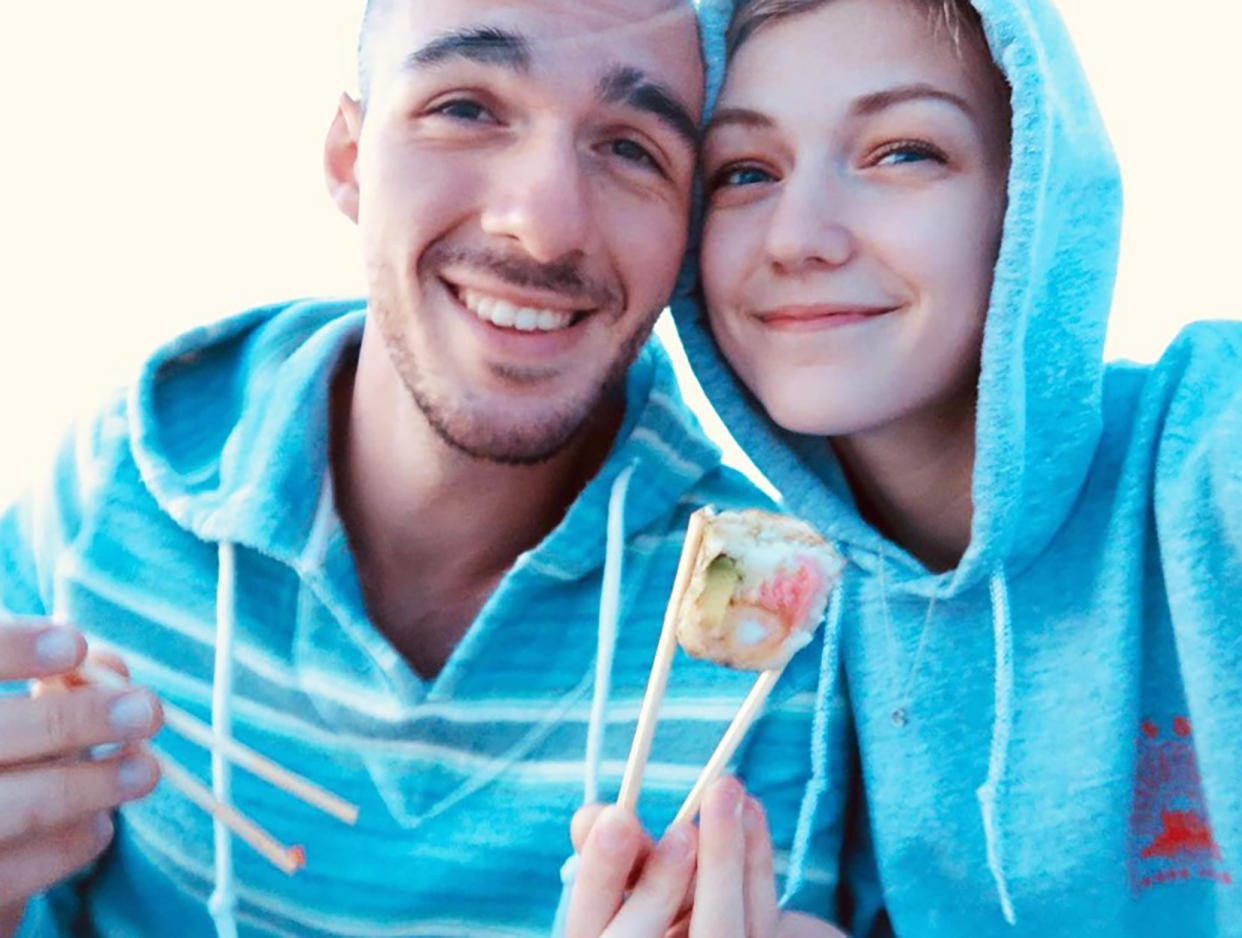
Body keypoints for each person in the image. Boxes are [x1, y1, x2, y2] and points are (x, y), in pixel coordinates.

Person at [0, 2, 843, 935]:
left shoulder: (780, 642)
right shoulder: (111, 493)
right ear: (349, 158)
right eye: (467, 108)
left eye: (633, 149)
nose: (543, 226)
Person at [570, 0, 1242, 934]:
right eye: (745, 172)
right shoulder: (801, 644)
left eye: (902, 152)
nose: (797, 236)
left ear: (1031, 194)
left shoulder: (1213, 450)